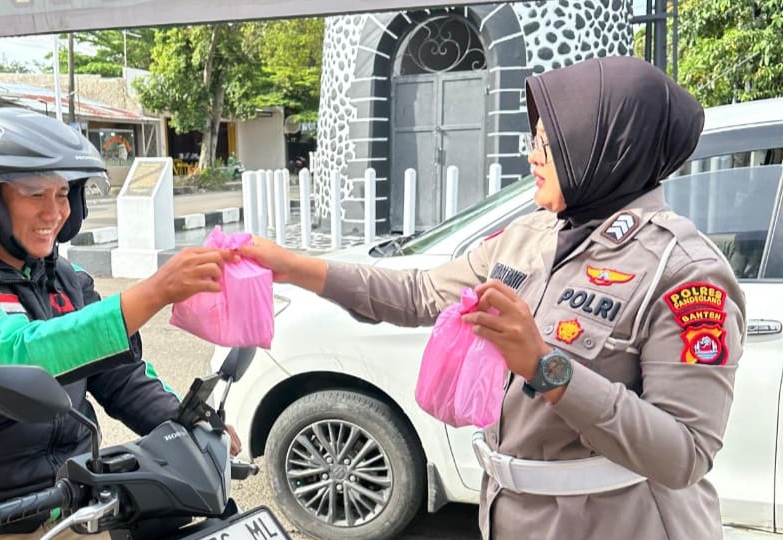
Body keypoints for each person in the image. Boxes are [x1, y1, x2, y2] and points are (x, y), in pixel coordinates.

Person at [240, 56, 745, 540]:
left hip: (621, 523)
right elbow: (420, 293)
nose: (531, 156)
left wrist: (547, 369)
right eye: (534, 138)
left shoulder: (683, 273)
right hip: (512, 514)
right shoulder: (531, 235)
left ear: (602, 147)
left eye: (549, 143)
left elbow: (685, 453)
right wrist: (293, 267)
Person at [0, 108, 241, 540]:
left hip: (74, 500)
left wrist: (186, 425)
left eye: (62, 194)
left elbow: (119, 376)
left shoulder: (65, 279)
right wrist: (154, 292)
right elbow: (20, 353)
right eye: (35, 194)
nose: (54, 212)